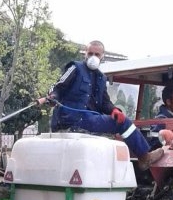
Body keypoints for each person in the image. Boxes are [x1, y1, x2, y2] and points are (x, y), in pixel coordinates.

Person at [37, 40, 164, 171]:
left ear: (102, 56)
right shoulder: (75, 68)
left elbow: (104, 102)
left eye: (97, 54)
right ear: (85, 54)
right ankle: (144, 157)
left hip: (89, 120)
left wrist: (114, 110)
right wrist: (52, 97)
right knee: (123, 124)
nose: (93, 57)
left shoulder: (101, 78)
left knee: (120, 120)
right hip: (71, 119)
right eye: (90, 53)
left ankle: (141, 157)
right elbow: (58, 87)